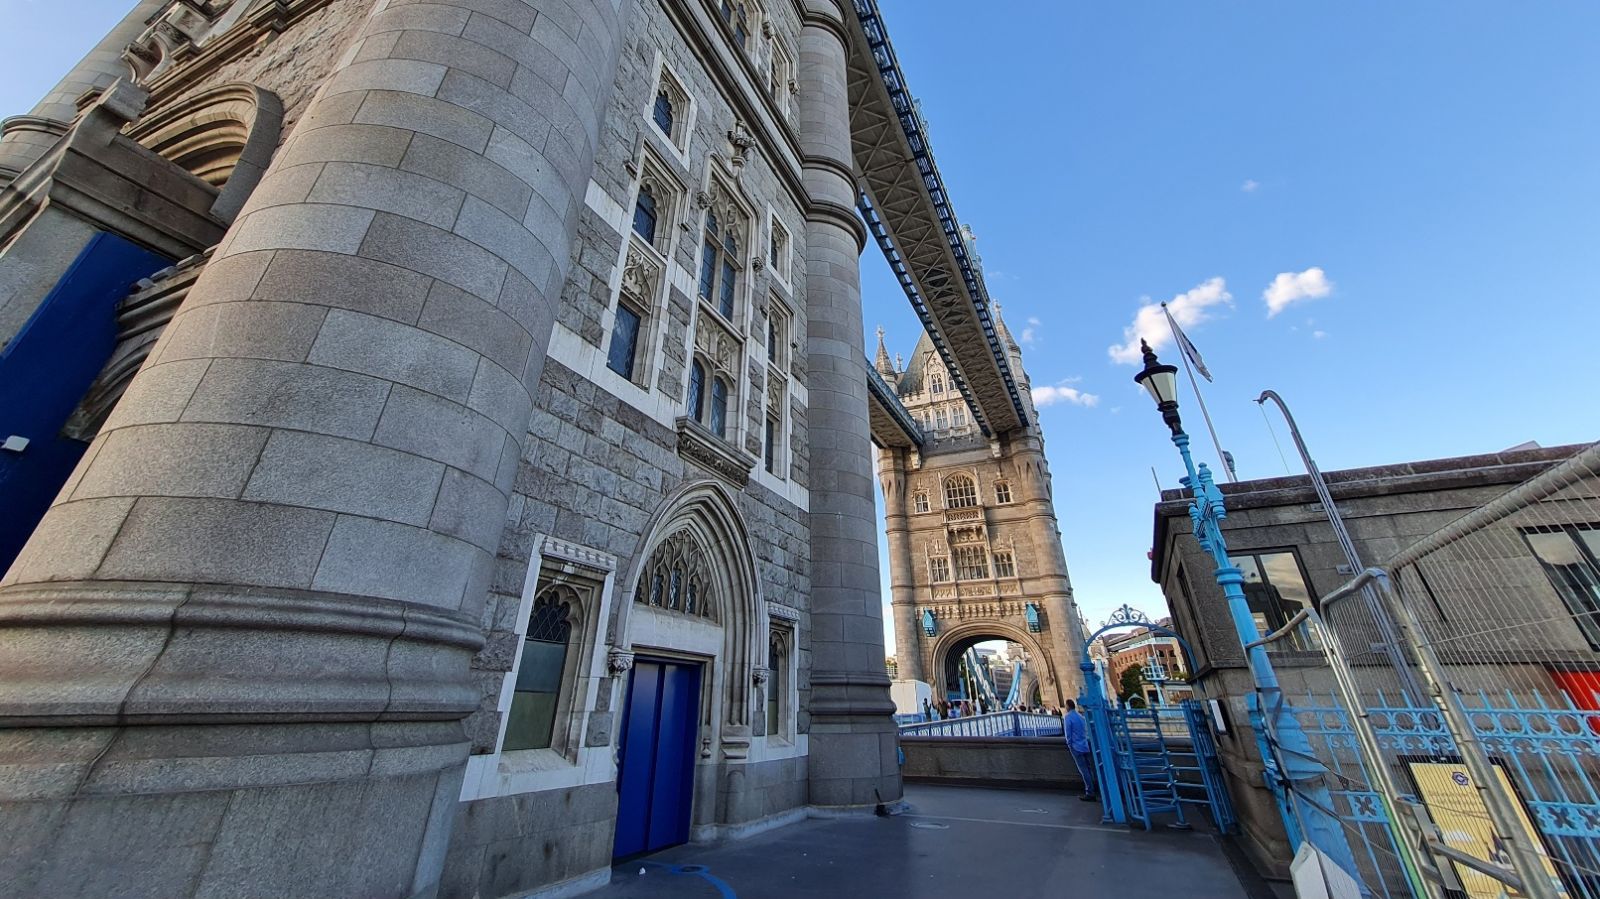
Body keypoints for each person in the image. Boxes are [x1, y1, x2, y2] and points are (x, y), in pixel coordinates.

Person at [1063, 700, 1097, 802]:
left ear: (1068, 706)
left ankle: (1090, 792)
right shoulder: (1081, 717)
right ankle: (1094, 789)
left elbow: (1068, 734)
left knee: (1083, 770)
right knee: (1089, 769)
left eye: (1065, 706)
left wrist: (1069, 745)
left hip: (1076, 747)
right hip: (1085, 746)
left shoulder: (1068, 717)